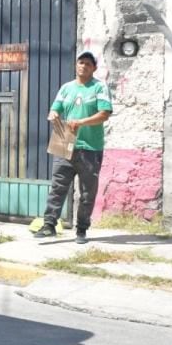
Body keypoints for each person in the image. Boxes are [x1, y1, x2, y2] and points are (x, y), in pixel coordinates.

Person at [35, 50, 113, 244]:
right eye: (81, 62)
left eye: (88, 63)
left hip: (90, 148)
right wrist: (53, 114)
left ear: (94, 68)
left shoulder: (99, 87)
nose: (83, 66)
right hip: (65, 143)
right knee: (57, 187)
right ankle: (49, 225)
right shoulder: (66, 88)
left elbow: (105, 114)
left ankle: (81, 229)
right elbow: (55, 109)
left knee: (87, 191)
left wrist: (81, 122)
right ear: (76, 65)